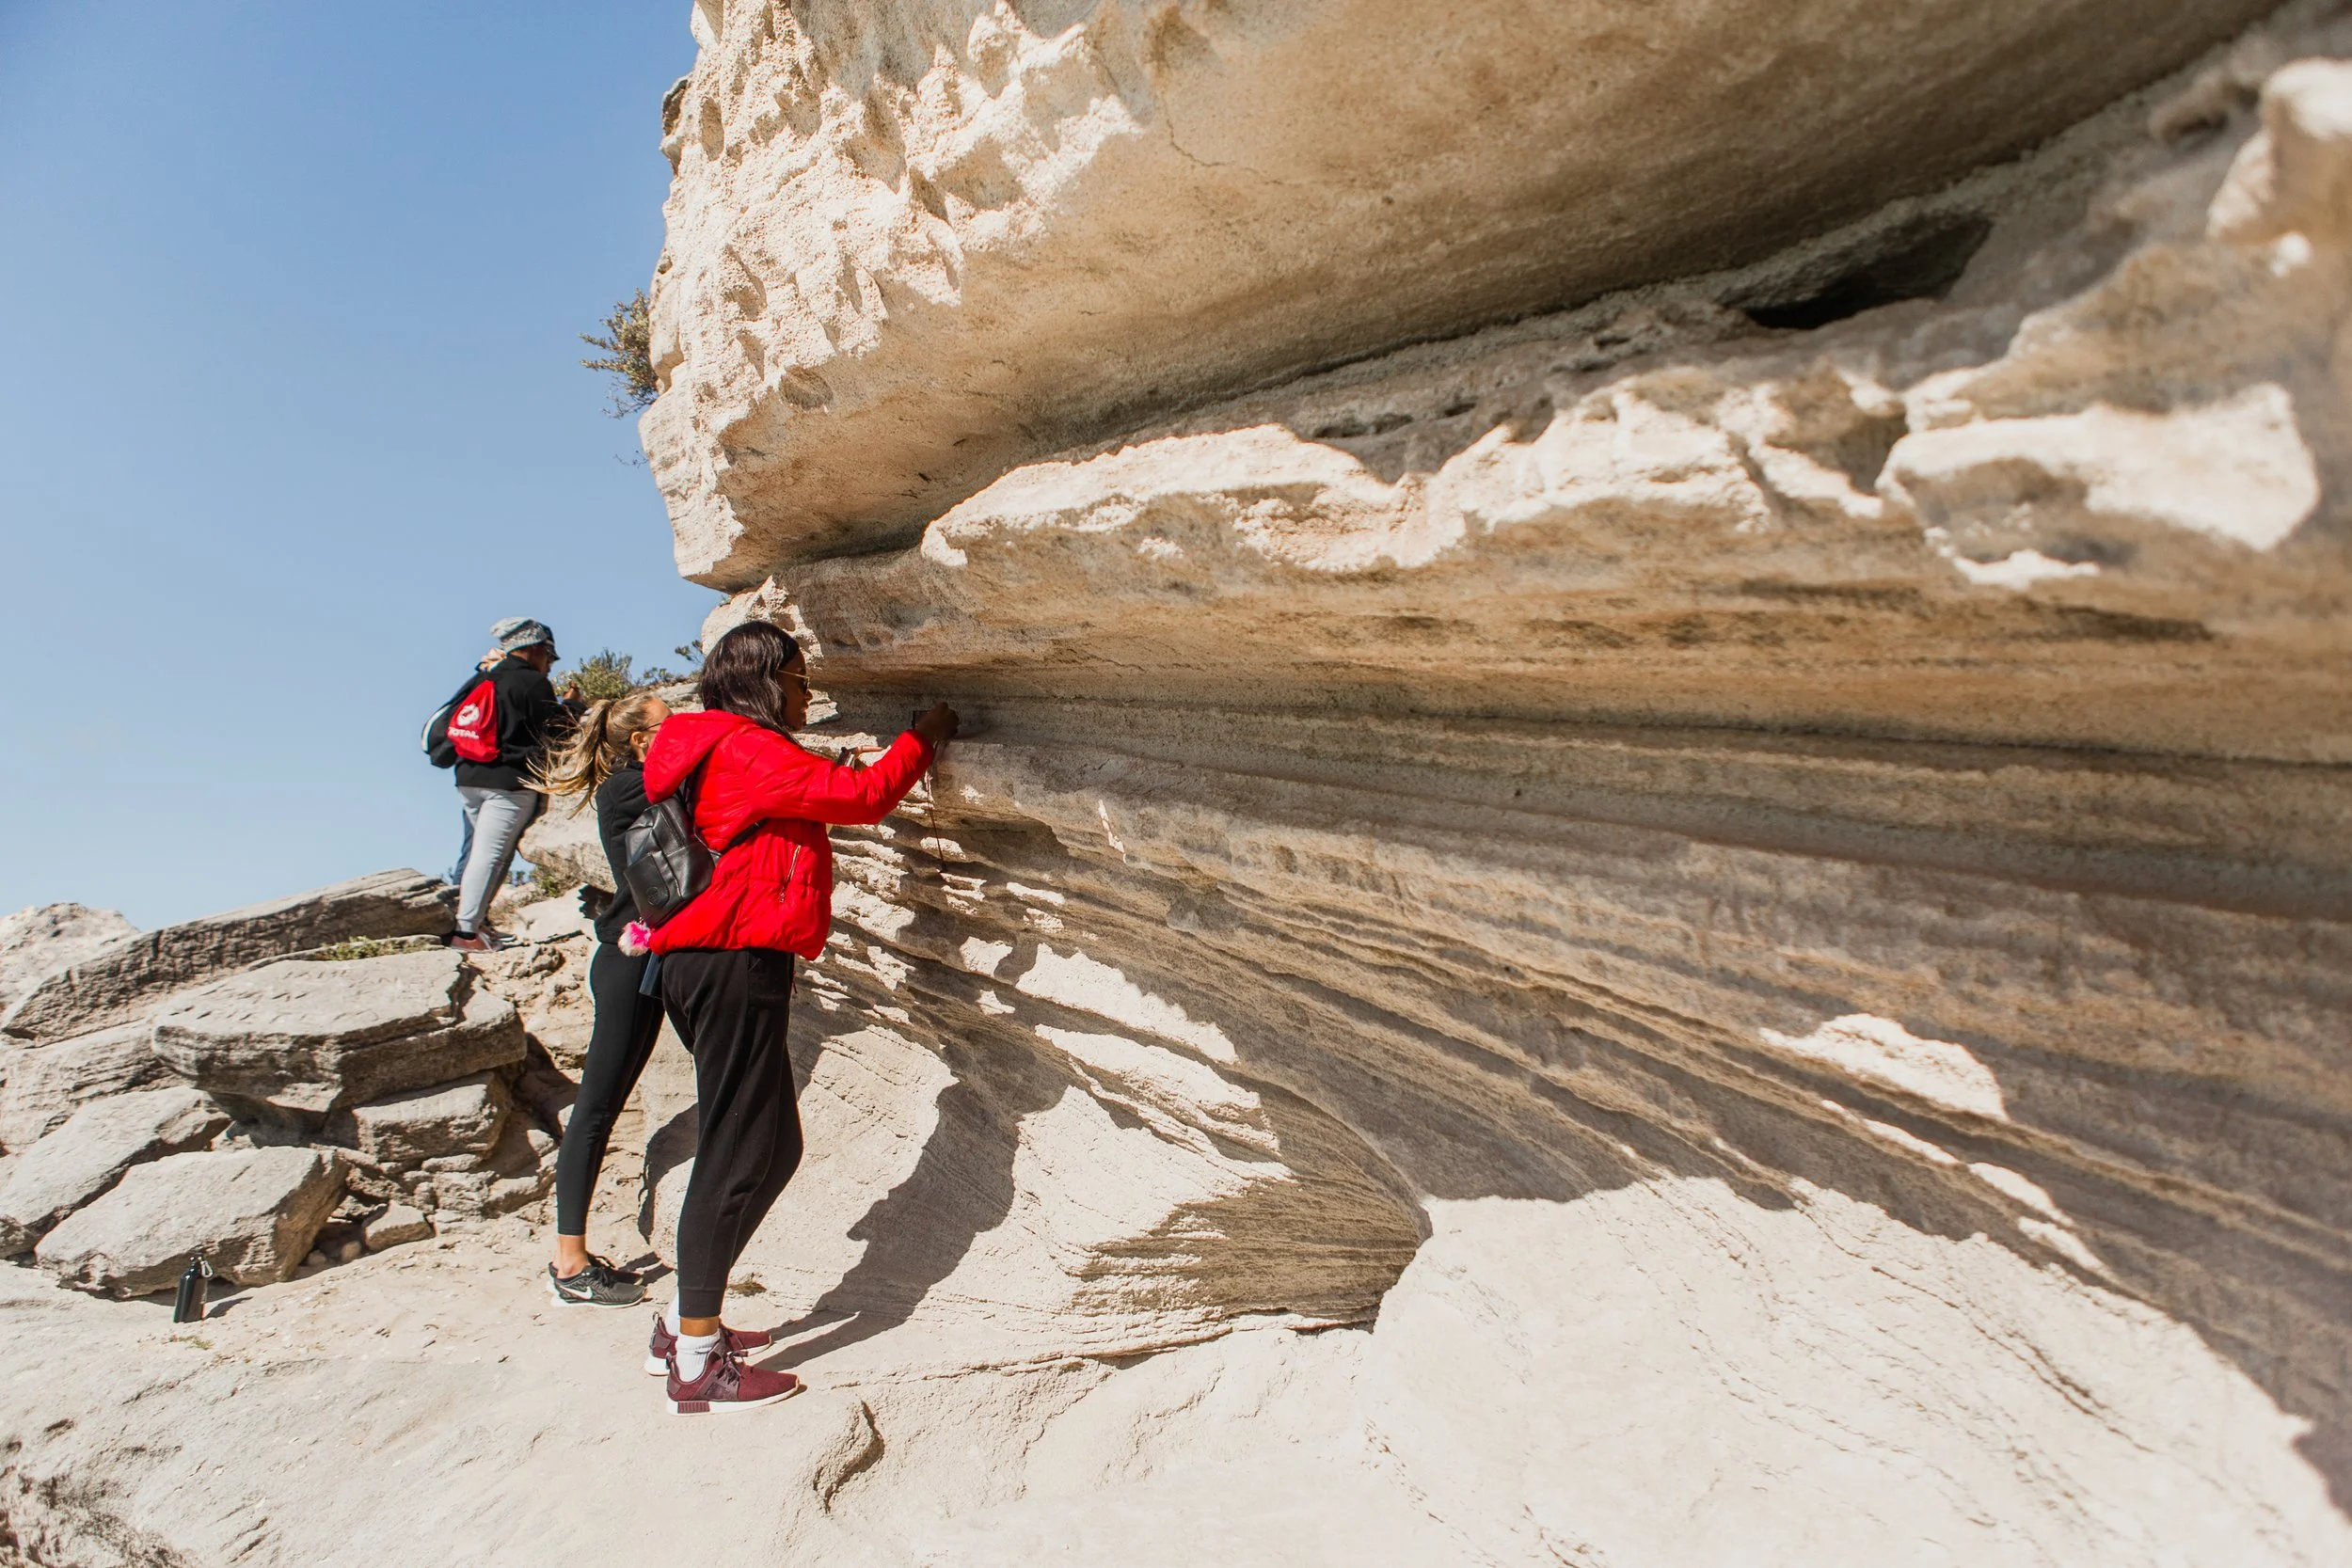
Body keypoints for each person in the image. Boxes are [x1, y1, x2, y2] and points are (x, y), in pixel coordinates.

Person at [634, 621, 956, 1415]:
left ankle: (686, 1324)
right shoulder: (746, 747)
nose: (808, 693)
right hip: (733, 961)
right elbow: (863, 799)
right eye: (801, 680)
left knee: (774, 1146)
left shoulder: (723, 746)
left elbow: (797, 795)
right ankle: (698, 1362)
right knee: (735, 1150)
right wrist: (926, 736)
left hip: (714, 961)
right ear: (764, 680)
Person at [527, 689, 673, 1307]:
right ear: (640, 741)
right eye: (671, 723)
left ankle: (574, 1258)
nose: (683, 729)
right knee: (595, 1111)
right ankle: (569, 1265)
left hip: (647, 958)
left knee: (602, 1108)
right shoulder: (624, 788)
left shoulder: (642, 784)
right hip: (626, 964)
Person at [451, 617, 569, 952]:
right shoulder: (532, 684)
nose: (549, 664)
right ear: (533, 649)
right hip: (508, 783)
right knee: (491, 857)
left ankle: (474, 924)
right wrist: (572, 706)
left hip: (468, 777)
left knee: (480, 854)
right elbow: (556, 731)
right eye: (549, 655)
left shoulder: (485, 678)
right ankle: (466, 933)